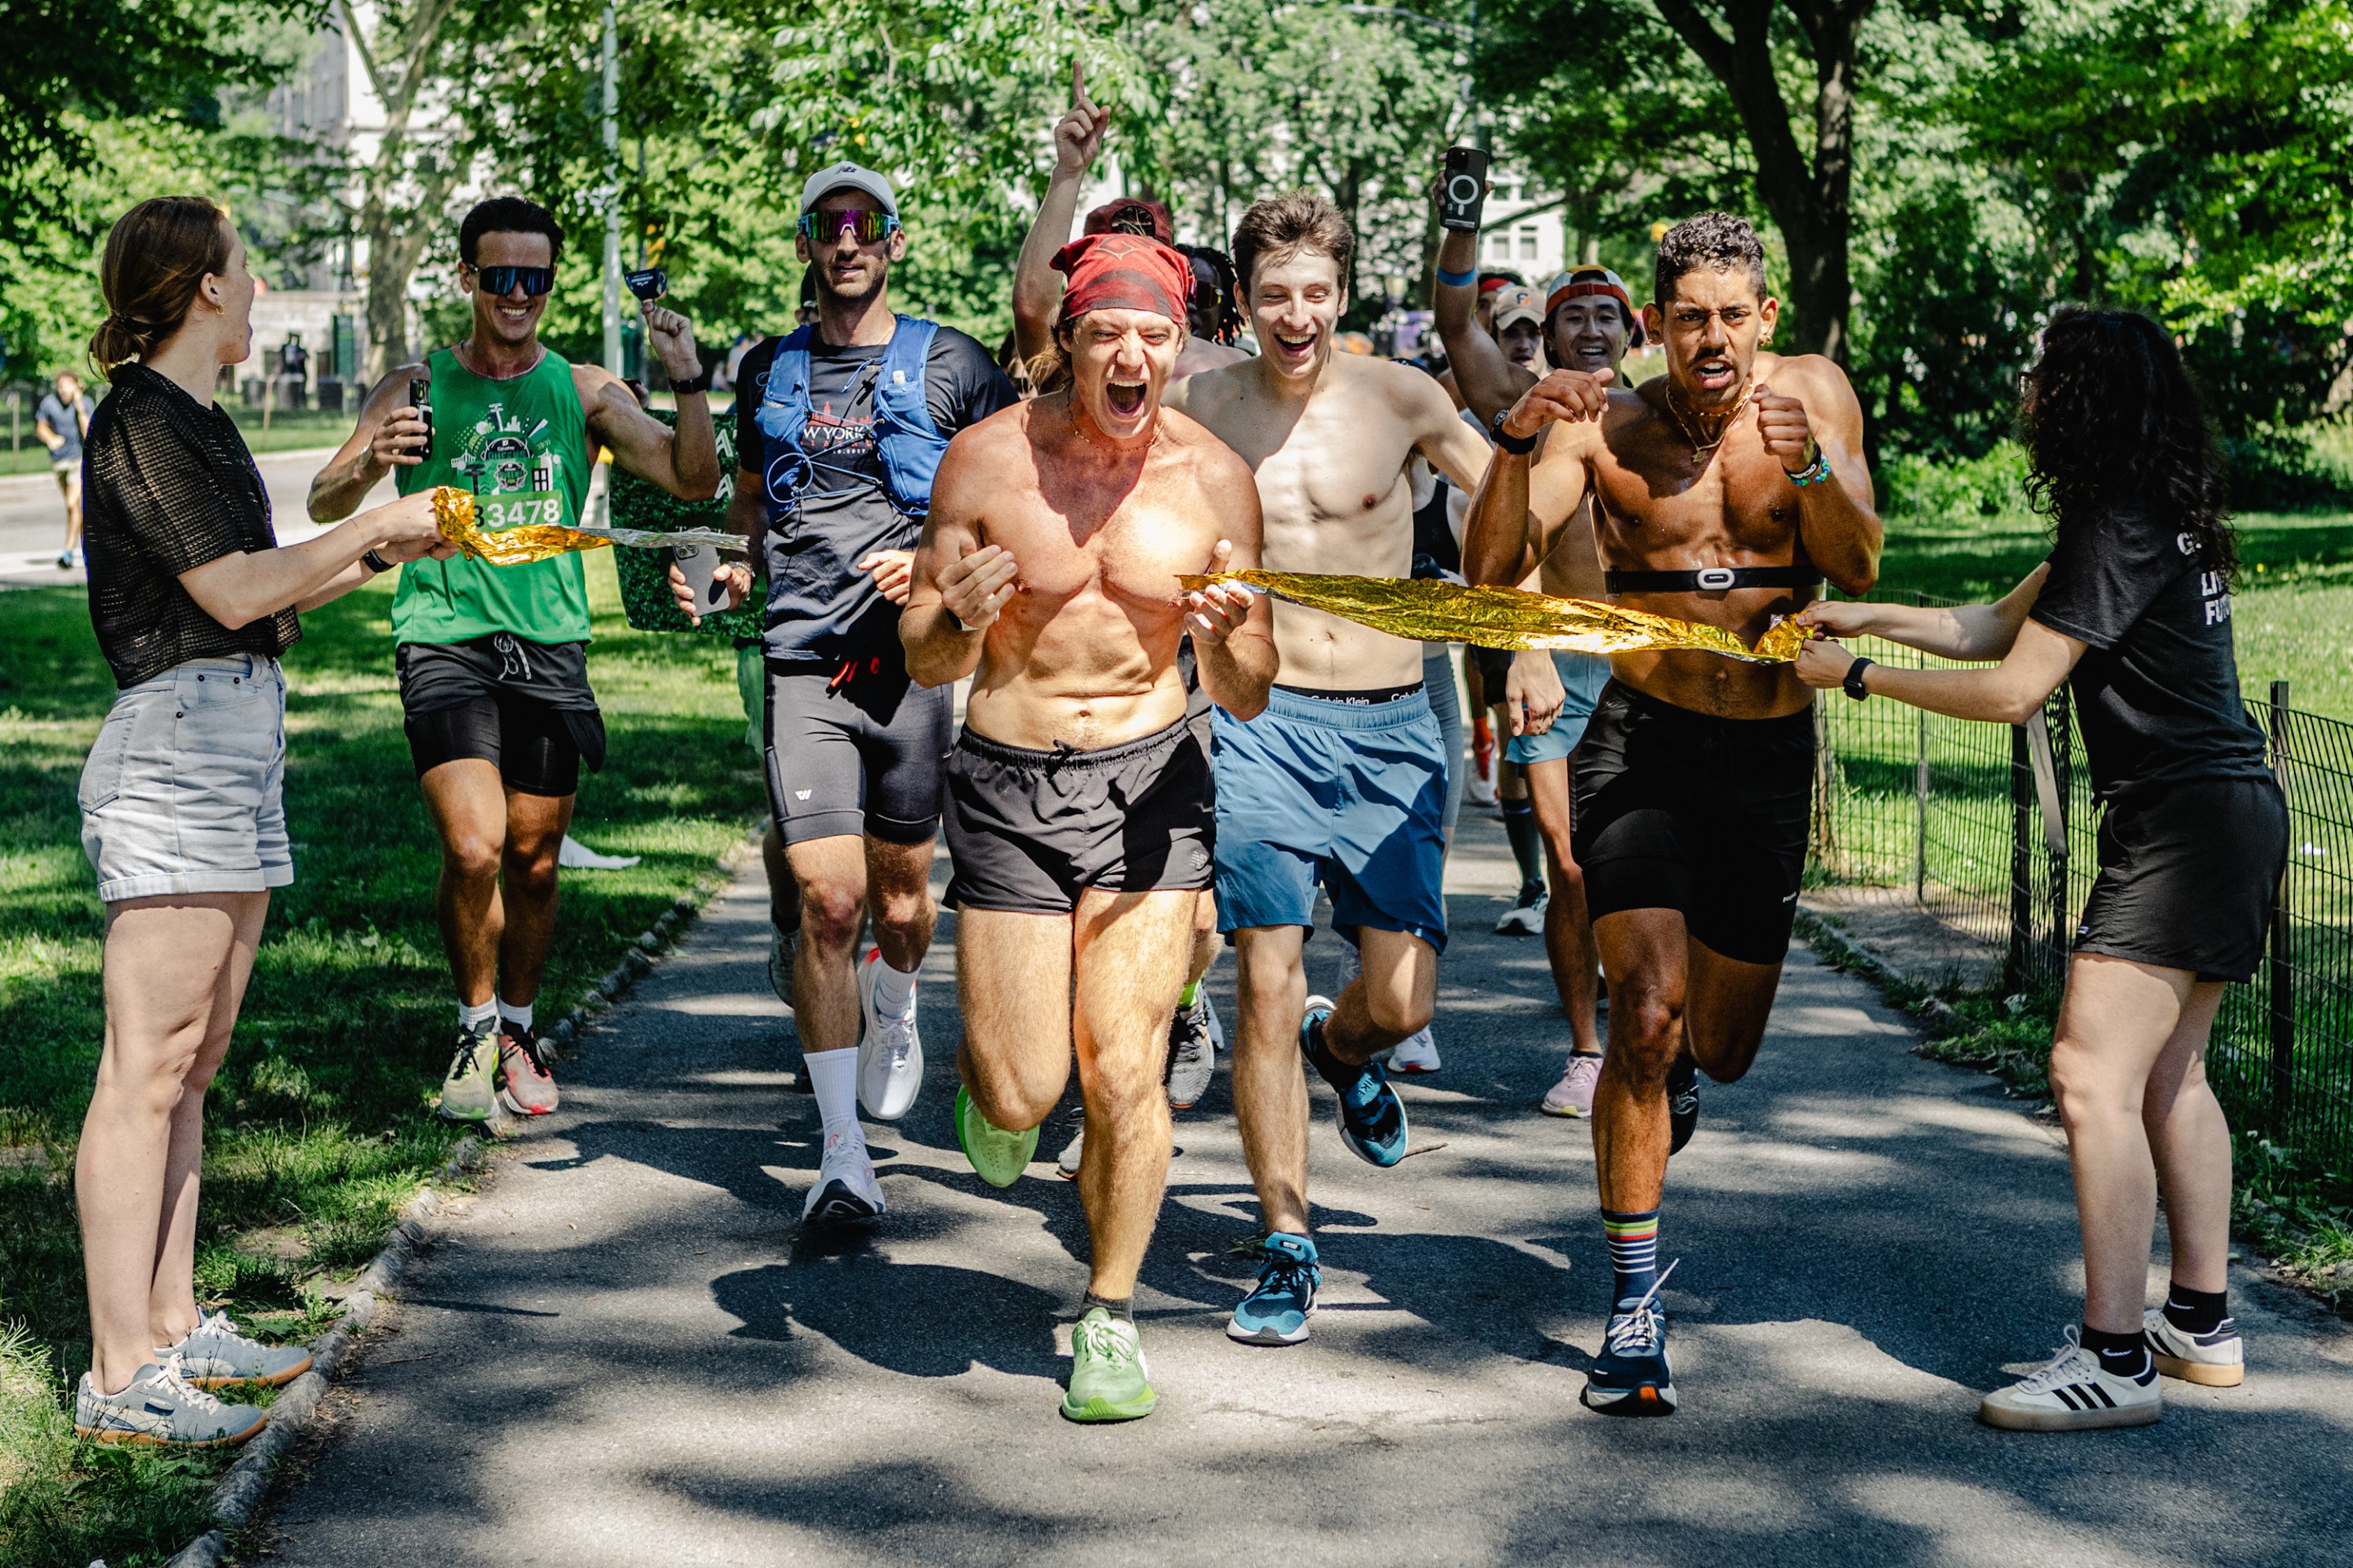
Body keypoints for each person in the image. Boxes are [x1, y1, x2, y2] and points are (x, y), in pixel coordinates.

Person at [1795, 308, 2286, 1432]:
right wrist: (1863, 609)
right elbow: (1988, 626)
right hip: (2227, 812)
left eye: (2040, 373)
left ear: (2082, 397)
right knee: (2172, 1076)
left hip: (2181, 824)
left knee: (2086, 1075)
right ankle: (2198, 1322)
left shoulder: (2114, 519)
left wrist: (1859, 674)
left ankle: (2114, 1358)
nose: (2026, 388)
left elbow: (2015, 689)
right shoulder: (2153, 511)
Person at [1465, 212, 1880, 1414]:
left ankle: (1686, 1067)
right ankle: (1635, 1306)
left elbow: (1854, 564)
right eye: (1688, 315)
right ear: (1657, 324)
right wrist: (1512, 435)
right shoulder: (1607, 424)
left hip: (1765, 753)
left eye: (1732, 314)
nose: (1712, 337)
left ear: (1764, 319)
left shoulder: (1812, 396)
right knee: (1641, 1015)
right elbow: (1497, 570)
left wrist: (1807, 467)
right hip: (1640, 744)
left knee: (1720, 1042)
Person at [70, 196, 452, 1446]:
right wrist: (370, 522)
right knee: (145, 1065)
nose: (260, 281)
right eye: (248, 265)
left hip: (232, 734)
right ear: (206, 290)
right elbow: (229, 588)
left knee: (198, 1055)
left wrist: (391, 548)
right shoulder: (139, 422)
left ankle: (174, 1326)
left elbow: (267, 595)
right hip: (176, 745)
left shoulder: (201, 422)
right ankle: (119, 1372)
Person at [903, 231, 1275, 1422]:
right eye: (1107, 331)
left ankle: (1109, 1311)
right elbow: (924, 652)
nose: (1132, 354)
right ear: (1067, 338)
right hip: (1009, 781)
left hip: (1152, 781)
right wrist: (954, 617)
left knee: (1126, 1068)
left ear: (1182, 345)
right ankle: (999, 1095)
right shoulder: (984, 462)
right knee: (1022, 1091)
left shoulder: (1217, 478)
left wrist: (1224, 636)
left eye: (1156, 335)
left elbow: (1255, 683)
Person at [309, 196, 721, 1126]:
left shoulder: (583, 392)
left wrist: (688, 381)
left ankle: (521, 1029)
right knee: (473, 844)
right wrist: (374, 457)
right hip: (442, 637)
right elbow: (323, 500)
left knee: (533, 861)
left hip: (549, 646)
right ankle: (474, 1022)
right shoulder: (415, 387)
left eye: (536, 278)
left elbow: (693, 478)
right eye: (501, 277)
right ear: (468, 279)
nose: (519, 295)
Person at [1166, 190, 1492, 1347]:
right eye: (1273, 295)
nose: (1295, 314)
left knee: (1401, 998)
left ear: (1342, 295)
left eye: (1315, 292)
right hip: (1260, 715)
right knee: (1263, 970)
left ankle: (1338, 1045)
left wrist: (1538, 643)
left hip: (1396, 720)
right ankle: (1288, 1242)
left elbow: (1515, 502)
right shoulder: (1199, 402)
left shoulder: (1403, 396)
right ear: (1244, 301)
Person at [680, 163, 1017, 1224]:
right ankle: (840, 1157)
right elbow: (747, 500)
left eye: (866, 223)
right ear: (806, 245)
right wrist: (733, 564)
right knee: (828, 904)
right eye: (828, 224)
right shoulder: (767, 367)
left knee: (904, 907)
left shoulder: (952, 361)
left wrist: (932, 561)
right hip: (800, 666)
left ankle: (897, 998)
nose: (847, 239)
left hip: (912, 669)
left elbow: (1013, 502)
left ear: (894, 242)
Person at [1010, 69, 1243, 1177]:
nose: (1132, 351)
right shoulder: (1061, 383)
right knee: (1066, 905)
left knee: (1191, 917)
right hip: (1050, 692)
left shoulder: (1196, 387)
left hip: (1185, 678)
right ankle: (1070, 1078)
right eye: (1105, 319)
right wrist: (1066, 178)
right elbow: (1026, 305)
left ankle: (1172, 1007)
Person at [1448, 253, 1651, 1117]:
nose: (1592, 330)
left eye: (1608, 315)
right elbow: (1510, 539)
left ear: (1634, 330)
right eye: (1575, 317)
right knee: (1570, 863)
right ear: (1551, 335)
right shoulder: (1529, 415)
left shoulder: (1661, 417)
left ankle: (1650, 1024)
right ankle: (1584, 1049)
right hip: (1555, 657)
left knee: (1640, 860)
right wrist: (1525, 646)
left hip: (1644, 664)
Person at [37, 369, 96, 568]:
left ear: (76, 386)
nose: (63, 390)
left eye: (67, 386)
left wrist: (79, 405)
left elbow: (88, 431)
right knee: (74, 509)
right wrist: (51, 438)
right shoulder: (49, 403)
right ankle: (81, 550)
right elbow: (41, 427)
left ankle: (69, 552)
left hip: (78, 460)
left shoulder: (85, 403)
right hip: (59, 462)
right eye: (60, 386)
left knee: (72, 504)